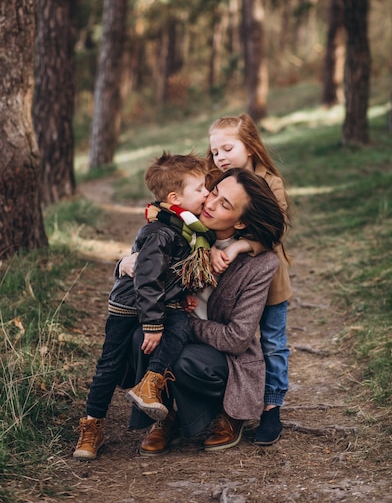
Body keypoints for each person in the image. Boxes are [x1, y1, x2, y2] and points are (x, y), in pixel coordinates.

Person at [127, 168, 286, 455]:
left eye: (225, 204)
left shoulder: (260, 265)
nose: (210, 204)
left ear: (241, 223)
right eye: (213, 193)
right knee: (143, 333)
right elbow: (142, 266)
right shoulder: (184, 233)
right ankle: (163, 415)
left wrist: (184, 325)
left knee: (185, 358)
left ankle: (228, 413)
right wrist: (124, 264)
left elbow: (236, 338)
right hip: (178, 332)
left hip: (224, 358)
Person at [73, 152, 216, 460]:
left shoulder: (183, 227)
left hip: (158, 302)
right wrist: (152, 324)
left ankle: (150, 383)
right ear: (176, 197)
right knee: (109, 365)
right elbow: (146, 280)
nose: (207, 193)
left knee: (180, 325)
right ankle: (92, 425)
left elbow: (172, 272)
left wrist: (182, 293)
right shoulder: (160, 231)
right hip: (130, 307)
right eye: (201, 189)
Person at [206, 114, 292, 445]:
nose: (221, 157)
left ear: (251, 147)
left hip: (269, 284)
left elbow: (277, 230)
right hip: (227, 283)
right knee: (235, 341)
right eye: (215, 152)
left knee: (272, 343)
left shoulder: (270, 182)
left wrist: (243, 244)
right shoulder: (218, 182)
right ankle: (231, 406)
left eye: (228, 148)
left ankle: (271, 407)